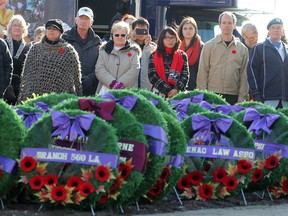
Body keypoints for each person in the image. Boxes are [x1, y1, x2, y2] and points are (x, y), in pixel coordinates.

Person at [18, 19, 82, 102]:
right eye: (49, 28)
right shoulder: (35, 48)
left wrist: (79, 98)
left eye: (55, 29)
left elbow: (76, 78)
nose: (51, 30)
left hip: (59, 96)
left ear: (60, 32)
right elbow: (26, 75)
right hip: (34, 95)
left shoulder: (68, 51)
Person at [196, 11, 249, 105]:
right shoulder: (209, 46)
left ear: (234, 25)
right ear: (219, 25)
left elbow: (244, 76)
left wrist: (241, 100)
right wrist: (202, 95)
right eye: (224, 23)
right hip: (212, 94)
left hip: (233, 96)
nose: (226, 25)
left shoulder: (242, 49)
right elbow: (203, 71)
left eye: (229, 23)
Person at [247, 18, 288, 109]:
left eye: (278, 28)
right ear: (269, 30)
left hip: (285, 102)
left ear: (283, 31)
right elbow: (251, 73)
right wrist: (257, 94)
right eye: (273, 27)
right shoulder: (259, 48)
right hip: (266, 100)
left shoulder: (287, 50)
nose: (276, 30)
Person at [62, 7, 102, 96]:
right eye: (81, 18)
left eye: (87, 18)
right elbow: (60, 63)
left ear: (92, 22)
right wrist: (75, 78)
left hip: (91, 88)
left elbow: (101, 64)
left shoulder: (97, 42)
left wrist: (91, 79)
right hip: (68, 88)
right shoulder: (64, 39)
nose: (83, 21)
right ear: (76, 20)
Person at [95, 21, 141, 94]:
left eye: (123, 35)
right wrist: (112, 83)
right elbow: (99, 69)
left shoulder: (133, 52)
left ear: (127, 36)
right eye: (117, 35)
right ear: (112, 35)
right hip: (105, 91)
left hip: (127, 92)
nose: (120, 37)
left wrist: (120, 84)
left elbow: (135, 69)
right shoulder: (103, 51)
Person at [148, 27, 189, 98]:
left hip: (178, 94)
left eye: (173, 38)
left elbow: (185, 75)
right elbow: (152, 76)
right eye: (167, 38)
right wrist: (168, 90)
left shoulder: (182, 55)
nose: (170, 40)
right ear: (162, 40)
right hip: (159, 93)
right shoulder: (154, 55)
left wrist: (176, 89)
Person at [5, 14, 30, 104]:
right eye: (15, 25)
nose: (17, 27)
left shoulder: (28, 48)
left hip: (20, 87)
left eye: (20, 25)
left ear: (24, 29)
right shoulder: (3, 45)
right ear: (10, 28)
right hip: (3, 84)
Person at [130, 17, 157, 90]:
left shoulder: (153, 47)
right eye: (138, 30)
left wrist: (147, 47)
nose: (141, 33)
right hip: (130, 87)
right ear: (133, 30)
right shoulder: (128, 45)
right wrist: (131, 40)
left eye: (144, 30)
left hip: (147, 88)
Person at [178, 16, 204, 90]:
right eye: (185, 28)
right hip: (178, 86)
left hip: (195, 86)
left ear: (195, 30)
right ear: (181, 31)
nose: (188, 31)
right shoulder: (177, 47)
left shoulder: (202, 47)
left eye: (190, 28)